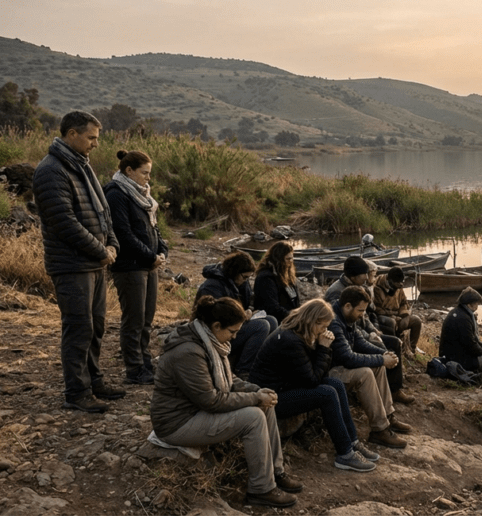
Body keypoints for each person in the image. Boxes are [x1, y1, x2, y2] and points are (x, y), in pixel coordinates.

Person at [150, 296, 302, 508]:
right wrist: (255, 398)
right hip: (177, 423)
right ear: (216, 325)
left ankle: (276, 472)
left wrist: (257, 391)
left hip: (194, 413)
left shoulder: (209, 341)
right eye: (232, 332)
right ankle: (261, 489)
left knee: (264, 407)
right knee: (253, 416)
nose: (235, 337)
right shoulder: (188, 352)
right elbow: (211, 400)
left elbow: (229, 381)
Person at [33, 111, 125, 413]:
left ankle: (94, 379)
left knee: (96, 326)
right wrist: (101, 250)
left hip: (94, 264)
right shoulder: (51, 170)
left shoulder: (81, 166)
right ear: (72, 134)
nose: (96, 144)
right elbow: (64, 222)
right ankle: (77, 392)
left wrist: (111, 243)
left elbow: (103, 213)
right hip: (71, 265)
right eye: (91, 138)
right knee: (78, 328)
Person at [248, 299, 378, 472]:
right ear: (313, 321)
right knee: (327, 393)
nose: (324, 331)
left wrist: (322, 347)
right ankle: (345, 453)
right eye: (323, 327)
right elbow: (312, 380)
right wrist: (323, 348)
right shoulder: (290, 340)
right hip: (272, 397)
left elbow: (318, 374)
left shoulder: (299, 333)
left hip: (285, 386)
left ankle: (352, 442)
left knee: (336, 384)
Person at [104, 149, 168, 385]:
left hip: (148, 264)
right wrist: (150, 256)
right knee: (134, 319)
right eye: (145, 173)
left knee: (147, 318)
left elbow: (153, 229)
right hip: (130, 265)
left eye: (149, 173)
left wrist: (162, 251)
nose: (148, 178)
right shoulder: (116, 193)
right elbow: (122, 233)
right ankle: (134, 368)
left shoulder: (143, 195)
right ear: (128, 171)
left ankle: (145, 362)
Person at [326, 286, 412, 449]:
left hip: (341, 367)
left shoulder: (347, 317)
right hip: (330, 372)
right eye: (360, 310)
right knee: (366, 372)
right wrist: (381, 358)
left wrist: (385, 354)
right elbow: (348, 358)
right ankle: (379, 430)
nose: (362, 315)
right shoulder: (334, 322)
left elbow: (360, 342)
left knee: (378, 367)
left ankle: (387, 416)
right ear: (347, 306)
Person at [324, 256, 413, 404]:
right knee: (383, 347)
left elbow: (366, 315)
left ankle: (395, 389)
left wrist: (374, 330)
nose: (367, 278)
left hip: (361, 332)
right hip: (350, 338)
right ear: (353, 275)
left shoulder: (357, 287)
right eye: (364, 274)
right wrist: (369, 335)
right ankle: (383, 391)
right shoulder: (337, 293)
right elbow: (348, 325)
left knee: (394, 343)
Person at [196, 251, 274, 379]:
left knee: (271, 321)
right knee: (262, 326)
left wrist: (249, 309)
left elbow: (248, 301)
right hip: (217, 331)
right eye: (244, 277)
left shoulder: (239, 283)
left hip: (233, 324)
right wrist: (241, 315)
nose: (246, 281)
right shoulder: (212, 286)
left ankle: (261, 363)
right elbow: (214, 316)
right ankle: (243, 370)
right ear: (235, 271)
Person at [439, 287, 482, 372]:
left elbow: (472, 342)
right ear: (469, 304)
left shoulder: (458, 312)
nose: (478, 305)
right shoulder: (463, 319)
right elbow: (471, 346)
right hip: (460, 361)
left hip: (455, 354)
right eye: (476, 303)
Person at [374, 267, 423, 355]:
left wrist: (404, 315)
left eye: (402, 282)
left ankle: (411, 349)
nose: (400, 285)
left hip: (399, 315)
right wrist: (394, 315)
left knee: (416, 321)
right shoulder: (377, 287)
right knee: (391, 322)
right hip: (384, 318)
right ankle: (394, 349)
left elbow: (404, 302)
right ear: (390, 281)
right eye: (398, 283)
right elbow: (378, 310)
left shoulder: (399, 287)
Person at [253, 242, 301, 323]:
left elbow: (295, 301)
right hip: (277, 321)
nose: (291, 262)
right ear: (278, 259)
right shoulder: (266, 278)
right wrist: (294, 317)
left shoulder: (287, 275)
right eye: (288, 259)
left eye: (292, 258)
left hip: (290, 317)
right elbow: (272, 307)